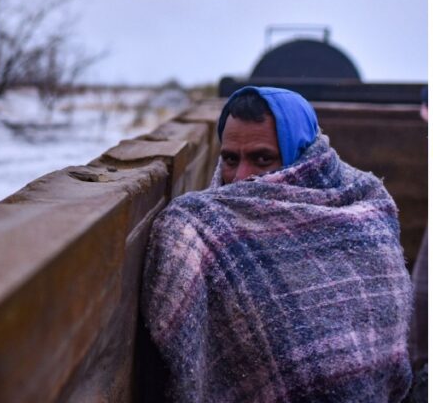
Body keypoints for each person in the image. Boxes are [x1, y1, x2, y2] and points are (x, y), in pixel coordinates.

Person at [140, 86, 413, 402]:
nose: (242, 177)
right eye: (230, 159)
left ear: (302, 156)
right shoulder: (201, 231)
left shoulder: (366, 206)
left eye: (262, 158)